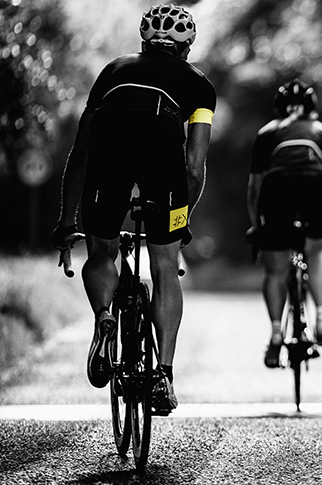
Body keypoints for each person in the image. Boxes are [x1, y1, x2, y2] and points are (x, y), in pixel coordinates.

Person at [50, 4, 215, 415]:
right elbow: (193, 165)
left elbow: (81, 151)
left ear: (144, 42)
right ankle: (163, 375)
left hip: (110, 152)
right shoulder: (199, 85)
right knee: (164, 265)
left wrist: (67, 220)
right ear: (186, 47)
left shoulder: (114, 70)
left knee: (102, 251)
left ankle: (104, 316)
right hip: (163, 157)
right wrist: (182, 219)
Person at [246, 78, 322, 368]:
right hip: (317, 185)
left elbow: (255, 188)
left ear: (279, 108)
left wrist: (258, 227)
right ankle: (321, 317)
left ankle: (276, 332)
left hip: (277, 187)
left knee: (276, 269)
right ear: (311, 108)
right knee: (318, 248)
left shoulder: (266, 133)